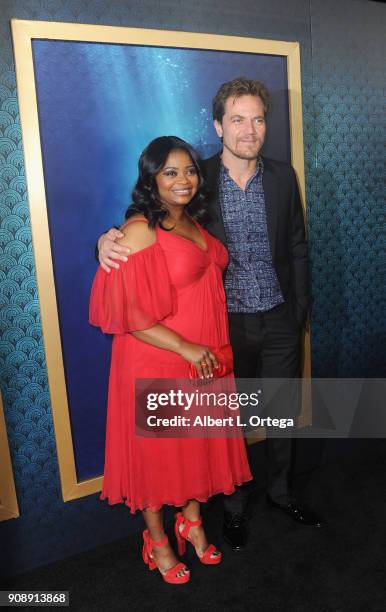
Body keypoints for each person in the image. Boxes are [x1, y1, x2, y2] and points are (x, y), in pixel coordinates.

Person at [97, 78, 325, 552]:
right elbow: (144, 222)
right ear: (219, 125)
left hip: (280, 317)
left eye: (258, 119)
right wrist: (104, 240)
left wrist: (299, 309)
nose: (249, 130)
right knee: (223, 422)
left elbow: (298, 246)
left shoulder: (284, 177)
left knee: (282, 412)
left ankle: (282, 493)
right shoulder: (193, 177)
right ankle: (235, 512)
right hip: (224, 325)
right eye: (238, 119)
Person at [89, 136, 252, 584]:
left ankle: (192, 522)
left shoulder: (197, 224)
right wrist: (185, 348)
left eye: (190, 171)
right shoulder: (140, 229)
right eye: (171, 172)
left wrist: (203, 352)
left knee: (196, 448)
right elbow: (126, 315)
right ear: (151, 179)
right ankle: (158, 540)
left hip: (206, 358)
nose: (184, 180)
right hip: (159, 358)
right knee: (158, 458)